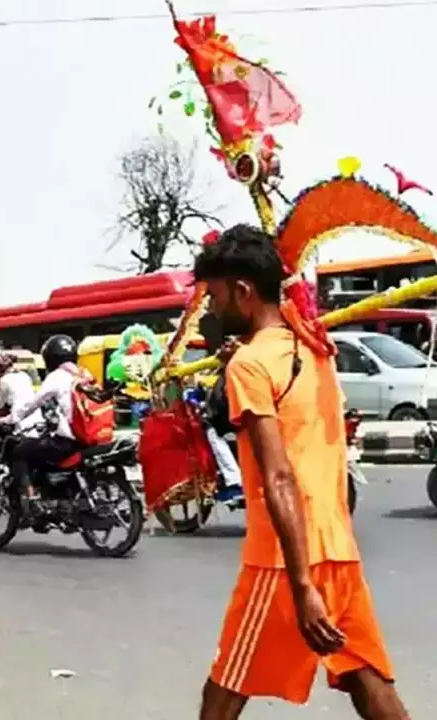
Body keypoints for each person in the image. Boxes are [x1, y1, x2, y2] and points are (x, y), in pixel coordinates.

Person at [193, 225, 408, 719]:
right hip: (337, 550)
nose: (211, 309)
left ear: (243, 292)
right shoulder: (316, 349)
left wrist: (301, 586)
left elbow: (280, 477)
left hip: (283, 559)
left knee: (223, 692)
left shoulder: (249, 365)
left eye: (216, 295)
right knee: (365, 675)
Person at [8, 335, 86, 483]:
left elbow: (33, 403)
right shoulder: (83, 374)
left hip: (69, 441)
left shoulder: (57, 376)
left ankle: (30, 500)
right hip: (90, 438)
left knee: (20, 451)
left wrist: (12, 418)